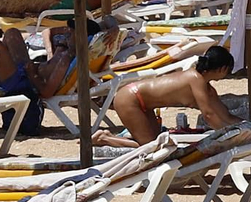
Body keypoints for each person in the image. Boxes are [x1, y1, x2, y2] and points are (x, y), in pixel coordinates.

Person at [96, 47, 242, 148]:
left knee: (156, 142)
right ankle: (104, 139)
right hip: (129, 98)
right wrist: (231, 136)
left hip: (139, 100)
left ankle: (108, 137)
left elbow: (224, 115)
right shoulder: (195, 78)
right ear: (223, 69)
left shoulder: (206, 88)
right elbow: (209, 115)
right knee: (152, 147)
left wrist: (249, 126)